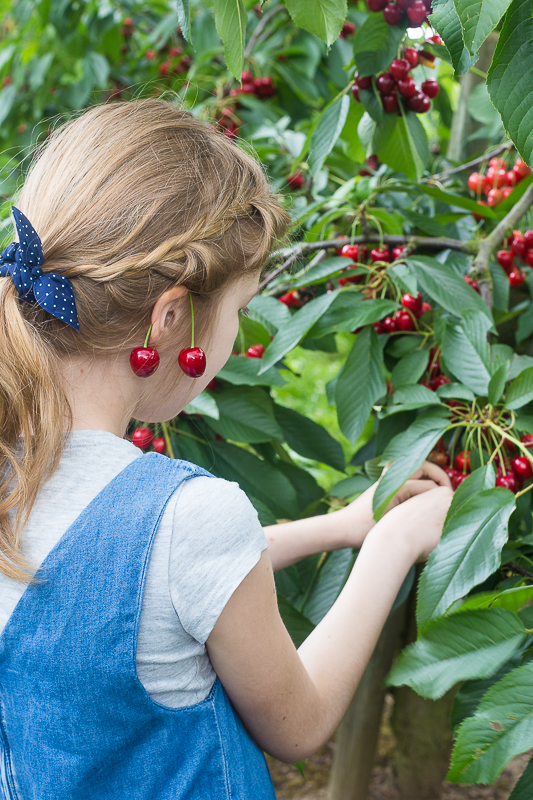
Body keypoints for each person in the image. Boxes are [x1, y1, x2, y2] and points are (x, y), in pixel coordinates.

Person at [0, 98, 453, 799]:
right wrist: (391, 545)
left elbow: (136, 578)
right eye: (239, 310)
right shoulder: (192, 517)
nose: (238, 335)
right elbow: (298, 724)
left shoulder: (16, 475)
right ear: (171, 318)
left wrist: (336, 528)